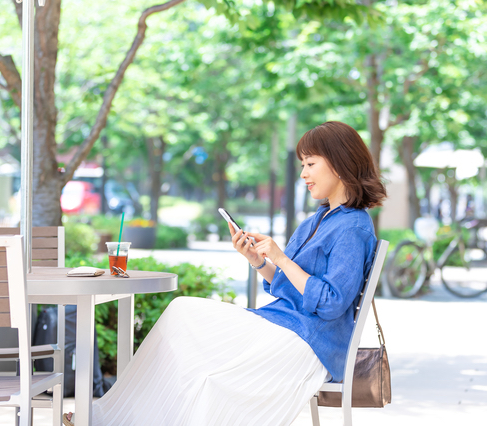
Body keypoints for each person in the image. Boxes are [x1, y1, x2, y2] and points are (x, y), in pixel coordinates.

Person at [63, 121, 386, 426]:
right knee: (190, 354)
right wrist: (258, 261)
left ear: (340, 163)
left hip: (307, 341)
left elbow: (331, 303)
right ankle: (112, 417)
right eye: (302, 164)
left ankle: (107, 417)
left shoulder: (352, 227)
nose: (303, 173)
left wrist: (281, 259)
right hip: (284, 324)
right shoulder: (319, 219)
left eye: (310, 164)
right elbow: (293, 288)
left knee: (183, 312)